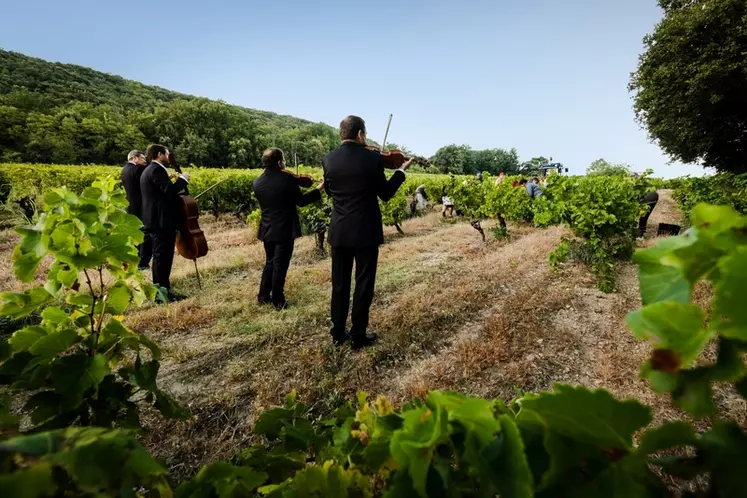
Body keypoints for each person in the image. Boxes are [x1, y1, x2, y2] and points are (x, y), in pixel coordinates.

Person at [322, 115, 413, 348]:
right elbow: (385, 193)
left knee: (339, 284)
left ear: (342, 134)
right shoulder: (372, 159)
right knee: (363, 283)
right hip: (365, 231)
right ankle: (358, 334)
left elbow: (330, 193)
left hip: (340, 230)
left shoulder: (328, 159)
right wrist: (400, 172)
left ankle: (337, 332)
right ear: (360, 134)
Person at [253, 148, 325, 310]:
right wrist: (319, 189)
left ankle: (263, 296)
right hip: (284, 229)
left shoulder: (257, 182)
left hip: (266, 228)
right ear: (279, 162)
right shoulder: (286, 179)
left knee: (270, 262)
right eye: (283, 160)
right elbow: (301, 201)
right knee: (280, 265)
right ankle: (278, 300)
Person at [140, 144, 190, 302]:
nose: (169, 157)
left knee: (161, 257)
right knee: (162, 258)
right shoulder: (156, 169)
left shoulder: (149, 170)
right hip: (161, 222)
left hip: (156, 220)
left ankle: (163, 290)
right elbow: (169, 192)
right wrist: (183, 180)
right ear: (159, 154)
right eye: (167, 154)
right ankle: (161, 295)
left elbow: (160, 191)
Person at [120, 150, 152, 271]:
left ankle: (135, 260)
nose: (145, 161)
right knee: (145, 235)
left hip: (131, 206)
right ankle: (143, 263)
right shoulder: (138, 170)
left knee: (136, 234)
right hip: (141, 207)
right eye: (143, 158)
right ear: (134, 158)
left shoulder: (124, 170)